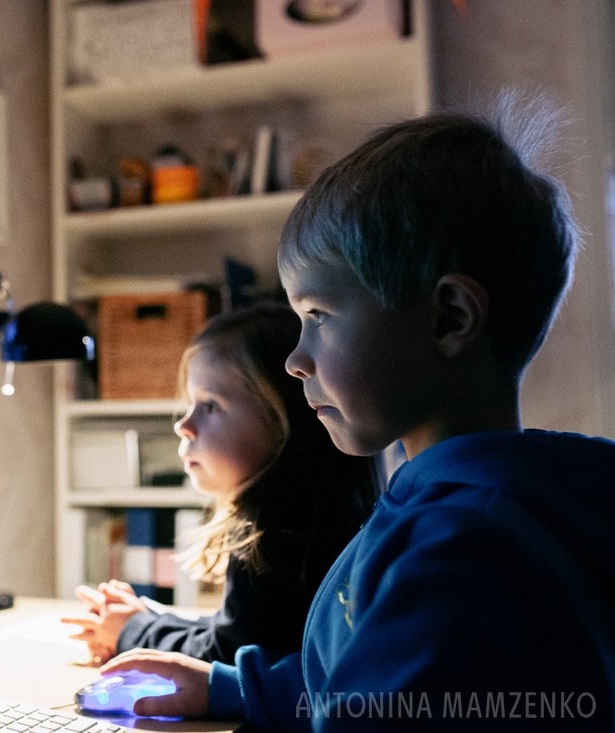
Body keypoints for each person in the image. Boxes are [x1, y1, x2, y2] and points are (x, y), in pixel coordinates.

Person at [98, 91, 615, 730]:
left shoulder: (464, 549)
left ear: (450, 318)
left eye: (317, 316)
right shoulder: (455, 500)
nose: (295, 359)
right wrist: (234, 688)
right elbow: (361, 677)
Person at [62, 301, 380, 666]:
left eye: (210, 406)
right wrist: (148, 620)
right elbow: (241, 628)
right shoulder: (311, 504)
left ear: (281, 419)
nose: (184, 425)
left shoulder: (282, 530)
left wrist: (132, 632)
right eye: (190, 404)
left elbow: (233, 653)